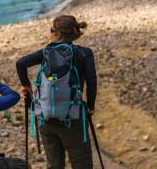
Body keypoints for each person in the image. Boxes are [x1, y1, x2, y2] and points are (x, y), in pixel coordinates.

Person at [15, 15, 97, 169]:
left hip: (46, 118)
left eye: (51, 30)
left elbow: (21, 63)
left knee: (54, 165)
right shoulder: (84, 53)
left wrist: (26, 86)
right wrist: (91, 107)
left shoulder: (46, 51)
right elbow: (91, 82)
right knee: (81, 163)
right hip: (73, 118)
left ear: (58, 33)